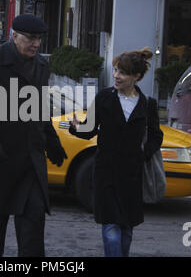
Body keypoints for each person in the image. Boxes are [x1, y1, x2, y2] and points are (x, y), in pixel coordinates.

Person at [0, 14, 67, 257]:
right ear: (14, 36)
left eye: (39, 39)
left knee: (33, 238)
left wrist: (52, 142)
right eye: (31, 38)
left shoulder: (41, 66)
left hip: (30, 165)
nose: (36, 44)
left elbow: (39, 108)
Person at [69, 47, 163, 257]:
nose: (116, 76)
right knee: (111, 228)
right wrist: (76, 127)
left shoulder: (148, 104)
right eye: (115, 70)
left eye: (122, 72)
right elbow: (89, 129)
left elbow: (156, 136)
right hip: (106, 172)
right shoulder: (104, 98)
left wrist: (143, 155)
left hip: (132, 175)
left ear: (136, 77)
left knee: (127, 229)